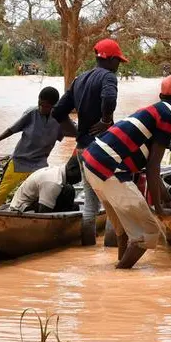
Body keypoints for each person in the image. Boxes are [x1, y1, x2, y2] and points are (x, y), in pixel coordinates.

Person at [82, 75, 171, 269]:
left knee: (124, 230)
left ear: (161, 96)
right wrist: (158, 208)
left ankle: (119, 282)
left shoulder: (151, 111)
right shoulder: (170, 116)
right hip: (110, 168)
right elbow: (153, 167)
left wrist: (167, 200)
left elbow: (150, 166)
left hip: (91, 163)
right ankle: (119, 275)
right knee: (148, 232)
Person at [52, 38, 127, 245]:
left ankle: (87, 250)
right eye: (118, 61)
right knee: (113, 201)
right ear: (110, 60)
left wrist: (74, 130)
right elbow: (109, 98)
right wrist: (105, 121)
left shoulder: (79, 79)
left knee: (90, 203)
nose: (119, 66)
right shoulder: (108, 77)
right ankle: (112, 252)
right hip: (103, 147)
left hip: (83, 147)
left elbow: (58, 111)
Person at [0, 87, 75, 209]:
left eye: (46, 106)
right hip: (19, 161)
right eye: (40, 104)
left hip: (40, 164)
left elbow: (74, 132)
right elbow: (12, 129)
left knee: (41, 194)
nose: (42, 108)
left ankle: (29, 215)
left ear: (54, 106)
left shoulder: (60, 118)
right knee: (1, 194)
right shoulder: (31, 113)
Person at [10, 155, 81, 213]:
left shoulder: (57, 172)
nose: (81, 179)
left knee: (69, 193)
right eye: (81, 174)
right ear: (72, 169)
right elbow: (44, 213)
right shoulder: (53, 181)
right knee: (68, 191)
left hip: (33, 203)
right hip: (21, 209)